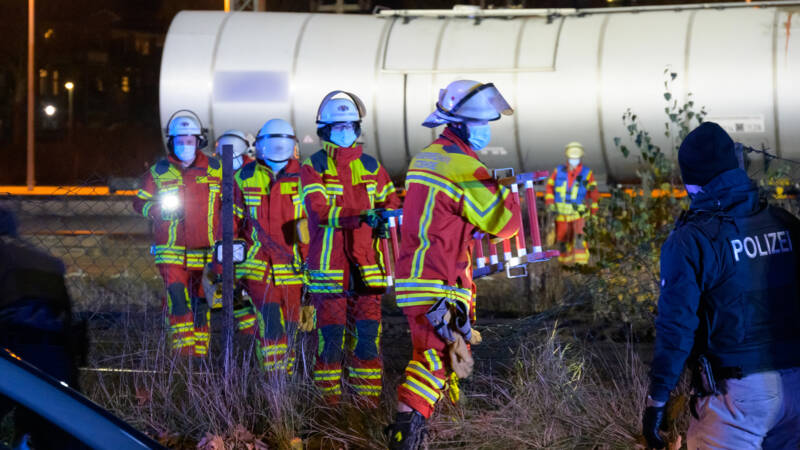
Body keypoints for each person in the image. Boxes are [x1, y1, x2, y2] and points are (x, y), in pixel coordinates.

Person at [642, 122, 800, 449]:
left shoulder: (692, 241)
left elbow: (676, 327)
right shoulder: (784, 224)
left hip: (740, 398)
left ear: (692, 181)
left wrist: (657, 400)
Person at [387, 80, 521, 449]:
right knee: (433, 365)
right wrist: (506, 189)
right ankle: (403, 441)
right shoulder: (463, 166)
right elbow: (502, 224)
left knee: (440, 361)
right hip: (439, 284)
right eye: (481, 123)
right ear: (460, 124)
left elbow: (444, 218)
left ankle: (429, 438)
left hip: (418, 279)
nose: (486, 129)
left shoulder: (427, 156)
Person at [300, 91, 401, 406]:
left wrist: (387, 217)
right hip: (328, 268)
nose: (345, 132)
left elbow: (390, 203)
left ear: (358, 129)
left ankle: (366, 405)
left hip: (367, 264)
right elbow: (319, 211)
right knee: (330, 339)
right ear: (325, 131)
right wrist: (360, 217)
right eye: (338, 127)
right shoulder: (313, 166)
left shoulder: (372, 166)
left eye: (350, 126)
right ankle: (328, 406)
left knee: (368, 336)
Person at [133, 113, 221, 357]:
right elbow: (139, 203)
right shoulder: (158, 171)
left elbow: (230, 204)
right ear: (171, 142)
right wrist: (160, 211)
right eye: (180, 141)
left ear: (199, 141)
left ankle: (200, 357)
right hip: (171, 251)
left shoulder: (216, 169)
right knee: (177, 298)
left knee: (202, 302)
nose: (185, 145)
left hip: (206, 251)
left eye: (190, 141)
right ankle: (182, 355)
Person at [0, 207, 87, 449]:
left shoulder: (5, 260)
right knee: (56, 427)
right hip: (53, 356)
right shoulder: (44, 261)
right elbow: (66, 316)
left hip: (12, 349)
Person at [234, 119, 307, 374]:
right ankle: (274, 381)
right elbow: (230, 223)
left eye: (283, 141)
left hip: (295, 268)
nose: (277, 146)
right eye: (272, 141)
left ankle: (284, 379)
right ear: (260, 145)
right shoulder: (244, 176)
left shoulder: (306, 177)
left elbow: (315, 223)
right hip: (258, 266)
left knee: (290, 326)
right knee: (271, 323)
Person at [213, 130, 258, 336]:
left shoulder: (253, 173)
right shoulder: (215, 175)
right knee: (228, 292)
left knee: (255, 292)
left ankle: (255, 332)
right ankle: (249, 335)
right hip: (224, 244)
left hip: (252, 246)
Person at [544, 142, 599, 265]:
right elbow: (549, 187)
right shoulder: (558, 171)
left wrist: (593, 214)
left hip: (578, 216)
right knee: (563, 241)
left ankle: (581, 267)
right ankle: (564, 267)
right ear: (567, 158)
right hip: (561, 215)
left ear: (580, 158)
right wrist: (550, 203)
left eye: (576, 159)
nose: (574, 161)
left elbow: (593, 194)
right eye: (572, 159)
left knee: (579, 241)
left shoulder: (586, 173)